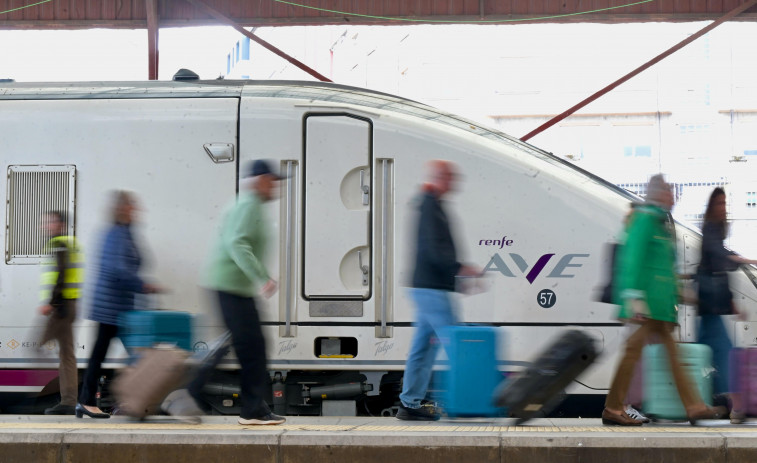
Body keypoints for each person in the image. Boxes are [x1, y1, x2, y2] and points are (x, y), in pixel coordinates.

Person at [603, 174, 722, 426]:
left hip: (660, 306)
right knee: (634, 354)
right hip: (645, 306)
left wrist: (679, 294)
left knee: (670, 356)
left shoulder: (660, 224)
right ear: (657, 194)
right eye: (668, 192)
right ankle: (614, 408)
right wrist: (632, 297)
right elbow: (631, 258)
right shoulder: (644, 220)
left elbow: (664, 267)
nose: (672, 196)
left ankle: (693, 406)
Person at [396, 160, 480, 421]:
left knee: (423, 348)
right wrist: (460, 268)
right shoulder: (430, 205)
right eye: (450, 177)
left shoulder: (431, 203)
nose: (454, 183)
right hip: (431, 289)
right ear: (439, 178)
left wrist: (456, 276)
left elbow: (435, 248)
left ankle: (409, 403)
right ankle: (474, 402)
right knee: (458, 343)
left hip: (428, 286)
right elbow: (433, 249)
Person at [204, 159, 285, 426]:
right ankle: (251, 410)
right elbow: (237, 243)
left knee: (253, 348)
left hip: (235, 288)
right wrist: (262, 278)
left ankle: (254, 408)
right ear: (261, 180)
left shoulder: (251, 206)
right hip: (230, 288)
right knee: (253, 350)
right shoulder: (248, 205)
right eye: (272, 181)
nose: (275, 186)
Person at [76, 191, 161, 419]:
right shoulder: (116, 234)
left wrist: (141, 284)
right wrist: (142, 285)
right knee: (134, 354)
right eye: (132, 206)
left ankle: (121, 401)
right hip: (111, 306)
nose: (136, 210)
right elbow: (117, 269)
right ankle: (119, 401)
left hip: (121, 305)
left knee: (130, 354)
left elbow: (135, 262)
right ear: (122, 209)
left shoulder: (126, 233)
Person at [697, 187, 757, 423]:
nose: (723, 208)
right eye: (719, 203)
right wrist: (745, 259)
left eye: (725, 203)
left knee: (704, 354)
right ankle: (737, 407)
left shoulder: (716, 231)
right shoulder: (710, 229)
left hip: (711, 305)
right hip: (709, 305)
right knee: (725, 353)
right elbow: (717, 257)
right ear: (712, 207)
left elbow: (719, 269)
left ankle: (695, 401)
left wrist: (732, 303)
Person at [38, 211, 83, 415]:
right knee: (67, 354)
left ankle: (30, 393)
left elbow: (61, 274)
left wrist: (52, 302)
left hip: (61, 305)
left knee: (38, 345)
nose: (46, 226)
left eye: (50, 222)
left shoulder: (59, 243)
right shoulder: (70, 242)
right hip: (69, 303)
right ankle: (68, 401)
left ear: (61, 224)